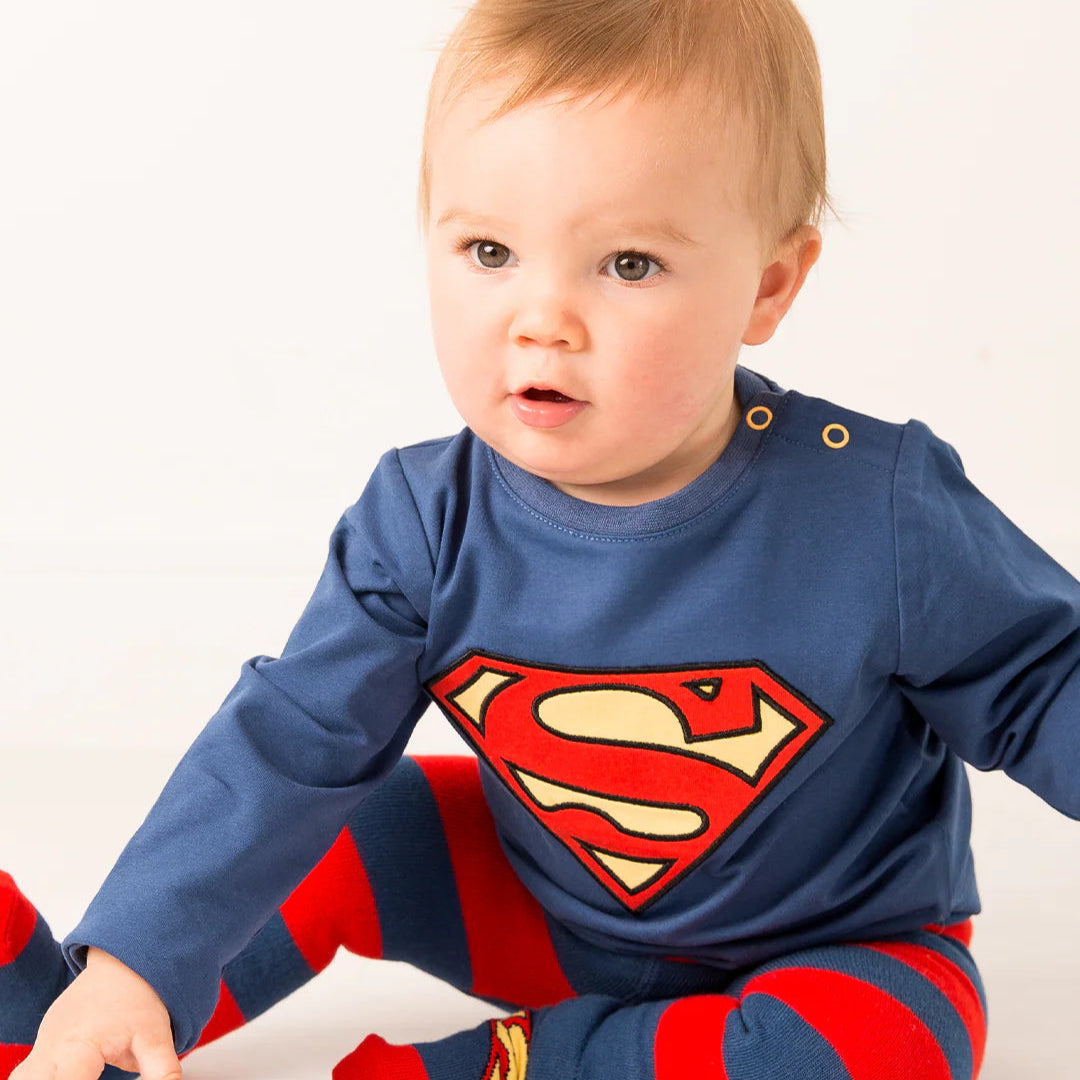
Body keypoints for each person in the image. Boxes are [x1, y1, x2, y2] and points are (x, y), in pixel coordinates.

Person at [3, 0, 1077, 1077]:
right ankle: (73, 1023)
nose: (542, 319)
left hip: (834, 947)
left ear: (768, 284)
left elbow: (1043, 682)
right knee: (330, 828)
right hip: (543, 914)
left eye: (629, 264)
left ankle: (514, 1063)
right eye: (491, 251)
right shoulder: (425, 522)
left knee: (890, 1045)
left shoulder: (874, 509)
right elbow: (289, 747)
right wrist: (135, 959)